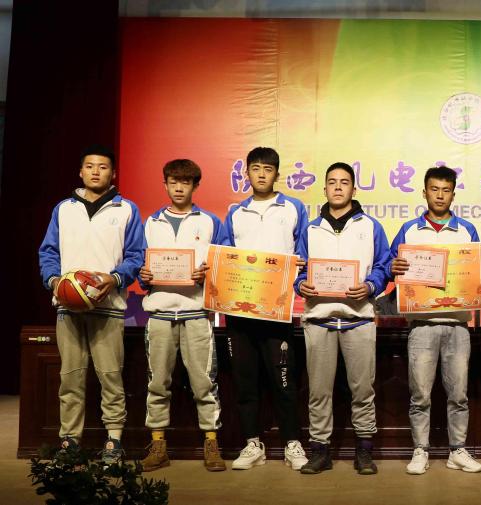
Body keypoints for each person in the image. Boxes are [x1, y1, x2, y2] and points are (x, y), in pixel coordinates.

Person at [38, 144, 145, 465]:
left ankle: (114, 440)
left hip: (108, 307)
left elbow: (136, 255)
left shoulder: (126, 209)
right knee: (70, 378)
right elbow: (48, 252)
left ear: (113, 173)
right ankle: (70, 441)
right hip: (68, 307)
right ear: (80, 171)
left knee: (110, 376)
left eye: (103, 166)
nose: (96, 171)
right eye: (90, 166)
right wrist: (55, 282)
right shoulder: (63, 209)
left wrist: (115, 278)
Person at [389, 166, 481, 475]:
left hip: (458, 325)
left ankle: (457, 450)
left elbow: (478, 273)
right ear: (424, 192)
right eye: (434, 189)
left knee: (459, 394)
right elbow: (390, 265)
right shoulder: (409, 231)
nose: (440, 195)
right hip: (421, 325)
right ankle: (420, 449)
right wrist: (394, 267)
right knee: (420, 395)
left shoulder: (467, 230)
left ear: (453, 194)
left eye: (446, 190)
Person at [295, 162, 389, 475]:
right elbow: (298, 269)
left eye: (344, 182)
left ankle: (364, 451)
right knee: (319, 392)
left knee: (363, 390)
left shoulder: (370, 226)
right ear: (324, 188)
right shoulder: (310, 229)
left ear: (353, 188)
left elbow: (383, 265)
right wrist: (300, 284)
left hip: (358, 319)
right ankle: (320, 451)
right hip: (319, 320)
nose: (338, 187)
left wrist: (371, 286)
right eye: (332, 182)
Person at [138, 159, 228, 472]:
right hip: (160, 312)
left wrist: (209, 273)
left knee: (204, 382)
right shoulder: (150, 223)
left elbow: (224, 264)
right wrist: (144, 275)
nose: (179, 188)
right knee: (157, 382)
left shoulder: (210, 222)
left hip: (196, 312)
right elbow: (139, 264)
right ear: (164, 184)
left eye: (185, 182)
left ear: (195, 186)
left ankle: (211, 443)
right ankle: (158, 445)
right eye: (173, 182)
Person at [222, 147, 308, 471]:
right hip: (241, 311)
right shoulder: (235, 213)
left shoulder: (293, 208)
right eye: (255, 168)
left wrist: (300, 269)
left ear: (276, 174)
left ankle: (292, 443)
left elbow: (304, 252)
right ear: (246, 173)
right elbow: (225, 257)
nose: (261, 174)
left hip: (277, 311)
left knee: (284, 381)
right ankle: (251, 443)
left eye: (267, 169)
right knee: (245, 381)